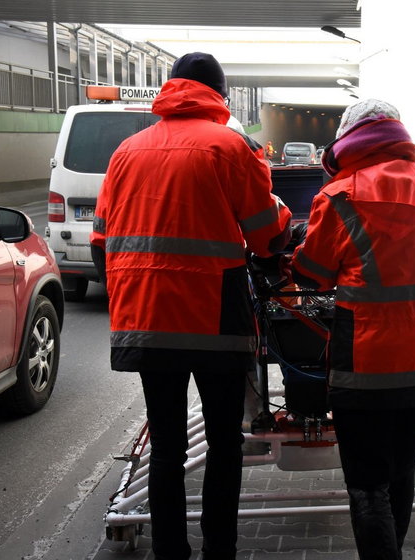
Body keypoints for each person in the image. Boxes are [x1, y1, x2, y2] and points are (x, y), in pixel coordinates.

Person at [90, 52, 291, 560]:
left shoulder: (126, 152)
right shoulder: (231, 146)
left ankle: (170, 553)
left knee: (167, 449)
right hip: (215, 320)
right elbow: (267, 235)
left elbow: (100, 241)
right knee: (225, 445)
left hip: (147, 322)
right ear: (219, 95)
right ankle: (218, 552)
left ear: (172, 88)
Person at [287, 99, 415, 559]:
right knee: (401, 474)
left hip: (365, 363)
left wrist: (300, 247)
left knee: (367, 486)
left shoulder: (340, 195)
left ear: (348, 139)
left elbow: (313, 274)